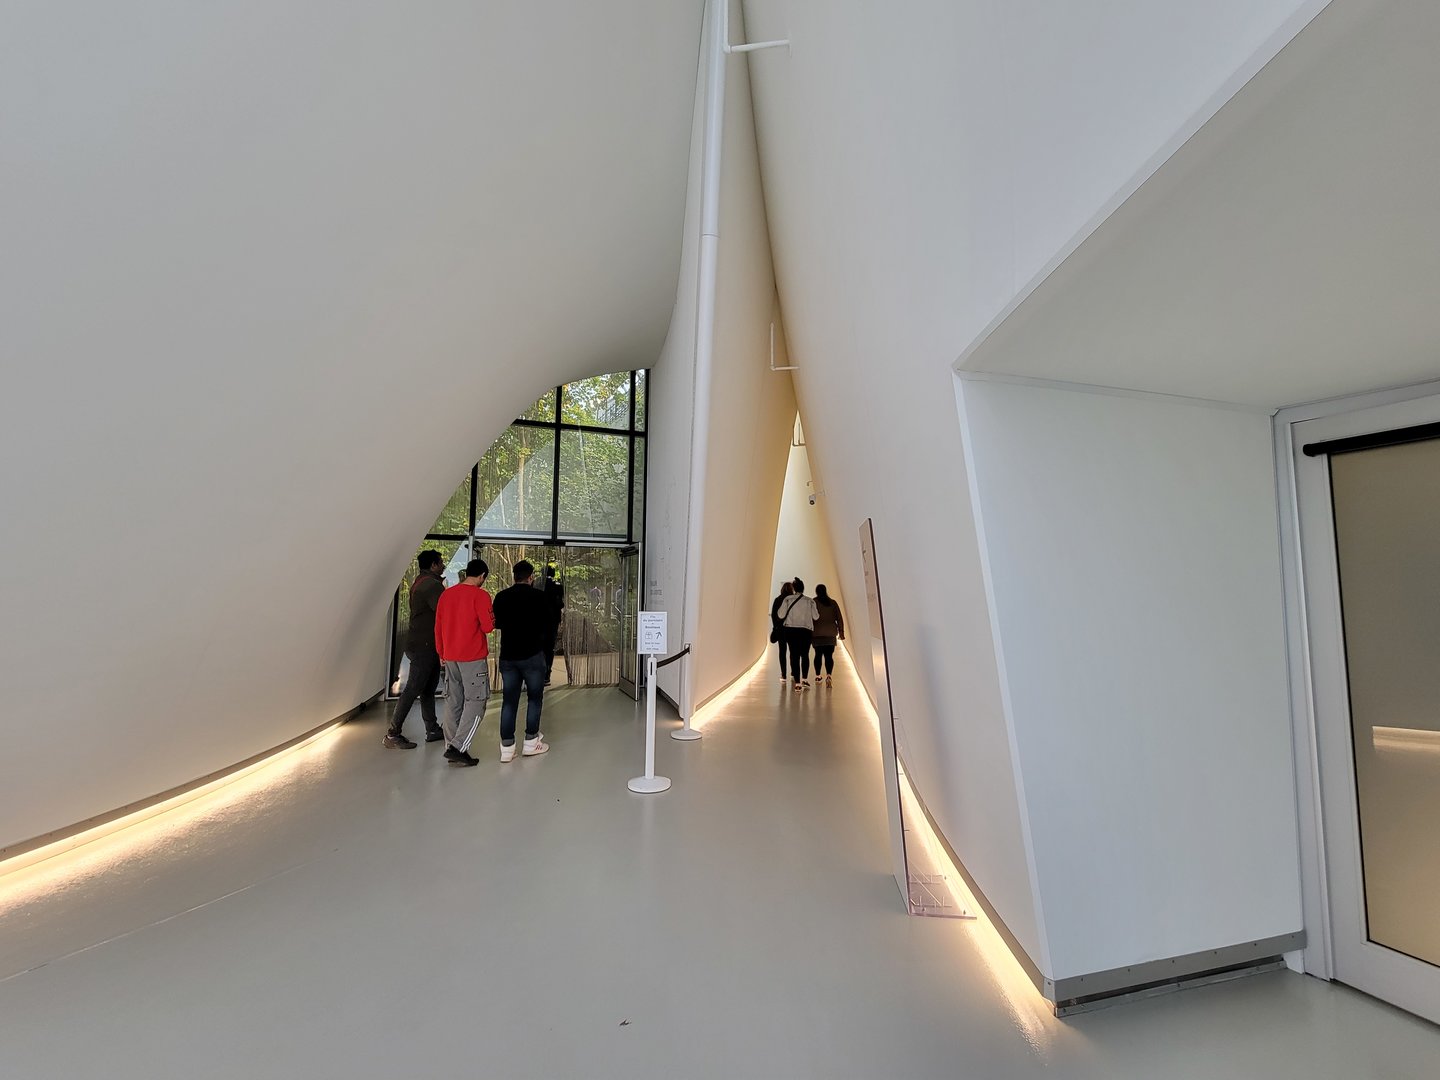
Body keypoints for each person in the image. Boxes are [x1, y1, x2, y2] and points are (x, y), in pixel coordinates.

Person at [433, 558, 494, 767]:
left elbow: (438, 626)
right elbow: (487, 627)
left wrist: (441, 651)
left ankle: (450, 745)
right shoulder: (481, 596)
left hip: (450, 656)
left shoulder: (446, 595)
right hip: (472, 657)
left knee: (454, 701)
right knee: (477, 701)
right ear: (482, 576)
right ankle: (458, 748)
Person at [383, 550, 446, 749]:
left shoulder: (420, 581)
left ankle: (432, 728)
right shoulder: (432, 585)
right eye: (441, 562)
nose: (443, 565)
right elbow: (444, 611)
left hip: (423, 643)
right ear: (434, 565)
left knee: (427, 688)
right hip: (425, 645)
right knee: (414, 688)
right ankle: (393, 733)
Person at [492, 560, 552, 762]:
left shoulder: (501, 597)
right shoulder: (540, 597)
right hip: (533, 656)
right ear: (531, 577)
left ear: (514, 576)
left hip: (508, 657)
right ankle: (531, 741)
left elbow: (497, 623)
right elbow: (548, 624)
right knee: (535, 699)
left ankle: (507, 748)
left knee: (509, 701)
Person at [780, 577, 819, 691]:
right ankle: (805, 679)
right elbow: (816, 616)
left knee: (794, 655)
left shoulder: (788, 599)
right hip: (806, 630)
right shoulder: (810, 601)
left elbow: (781, 615)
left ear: (794, 588)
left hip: (791, 630)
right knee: (805, 655)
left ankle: (797, 683)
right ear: (803, 588)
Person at [811, 584, 845, 688]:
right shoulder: (833, 603)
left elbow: (809, 617)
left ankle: (818, 676)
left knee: (818, 655)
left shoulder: (813, 602)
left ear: (816, 592)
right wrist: (841, 632)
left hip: (817, 633)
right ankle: (829, 675)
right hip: (830, 634)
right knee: (829, 656)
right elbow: (839, 618)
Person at [541, 564, 564, 685]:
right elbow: (561, 604)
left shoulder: (537, 585)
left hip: (539, 622)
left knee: (538, 648)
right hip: (553, 622)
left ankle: (537, 674)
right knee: (549, 649)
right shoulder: (558, 587)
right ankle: (547, 675)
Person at [770, 581, 794, 683]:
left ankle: (783, 675)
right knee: (793, 652)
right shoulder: (794, 600)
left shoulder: (778, 599)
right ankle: (793, 672)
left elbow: (773, 615)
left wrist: (775, 626)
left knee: (782, 652)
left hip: (780, 630)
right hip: (792, 629)